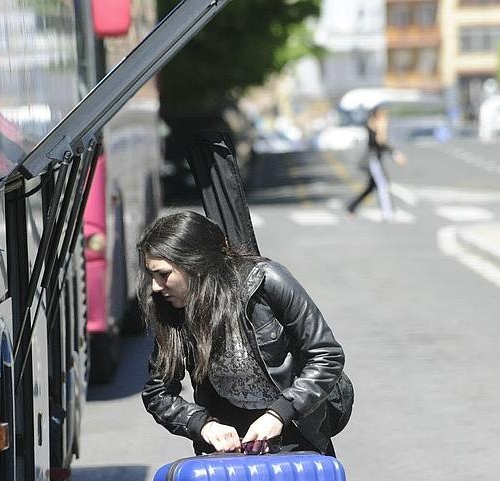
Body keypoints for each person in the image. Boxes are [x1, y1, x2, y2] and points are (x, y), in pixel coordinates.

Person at [140, 211, 345, 457]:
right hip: (230, 442)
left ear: (194, 264)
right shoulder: (172, 309)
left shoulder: (266, 281)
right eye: (151, 275)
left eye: (163, 274)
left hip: (295, 426)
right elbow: (158, 393)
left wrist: (279, 413)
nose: (155, 286)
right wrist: (203, 424)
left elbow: (326, 354)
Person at [346, 105, 406, 222]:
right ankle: (387, 213)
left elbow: (383, 145)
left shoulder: (378, 124)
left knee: (370, 188)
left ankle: (351, 208)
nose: (385, 116)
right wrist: (382, 129)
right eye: (383, 114)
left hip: (376, 159)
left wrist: (394, 153)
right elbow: (379, 142)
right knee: (383, 185)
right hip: (372, 160)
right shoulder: (372, 124)